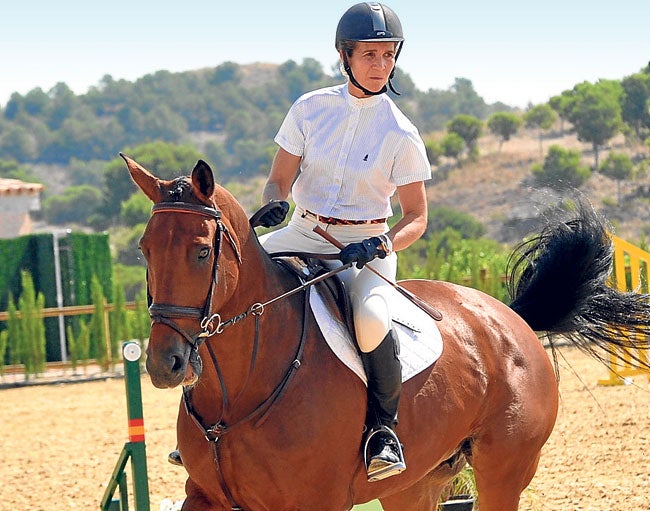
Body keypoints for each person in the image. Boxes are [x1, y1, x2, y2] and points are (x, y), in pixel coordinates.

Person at [256, 2, 432, 482]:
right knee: (235, 284)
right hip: (304, 229)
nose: (380, 66)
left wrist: (380, 245)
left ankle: (383, 431)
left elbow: (416, 218)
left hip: (364, 246)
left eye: (387, 55)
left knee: (372, 322)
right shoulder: (309, 109)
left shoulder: (401, 133)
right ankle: (207, 406)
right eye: (369, 55)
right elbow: (279, 181)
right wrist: (274, 203)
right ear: (344, 55)